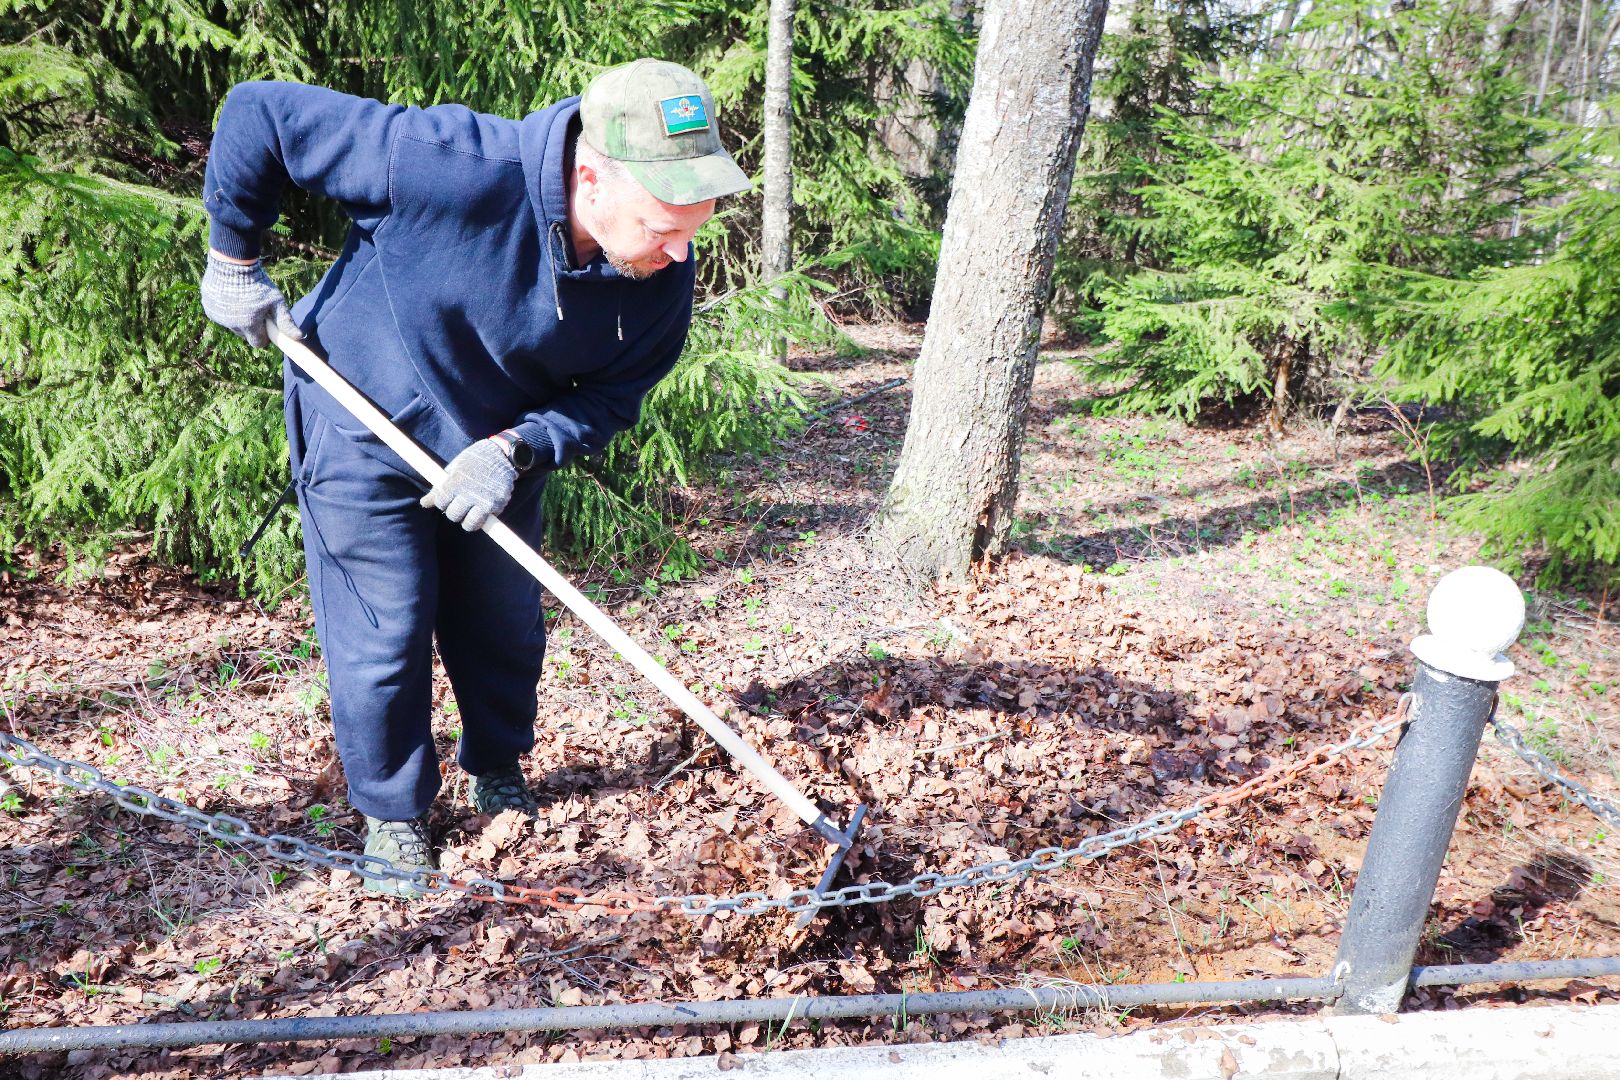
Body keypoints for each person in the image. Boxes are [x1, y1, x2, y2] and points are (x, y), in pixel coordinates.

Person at [198, 59, 750, 894]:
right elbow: (260, 115)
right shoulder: (449, 164)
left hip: (497, 449)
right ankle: (393, 814)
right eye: (661, 225)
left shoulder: (662, 272)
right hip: (361, 420)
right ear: (592, 179)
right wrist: (232, 257)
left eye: (691, 229)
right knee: (383, 633)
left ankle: (496, 764)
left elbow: (613, 395)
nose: (679, 251)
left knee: (502, 624)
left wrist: (520, 447)